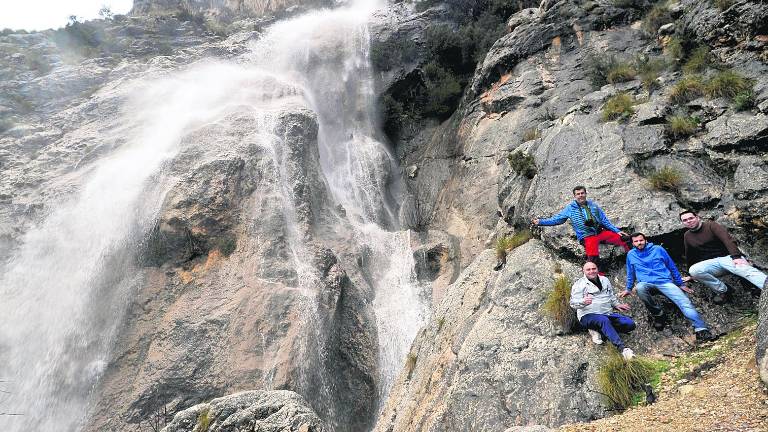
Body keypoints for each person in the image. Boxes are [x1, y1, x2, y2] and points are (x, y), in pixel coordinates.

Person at [621, 233, 715, 342]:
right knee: (640, 288)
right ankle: (659, 315)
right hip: (646, 284)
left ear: (645, 240)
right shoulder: (631, 255)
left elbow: (671, 266)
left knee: (684, 303)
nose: (639, 243)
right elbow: (630, 272)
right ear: (632, 243)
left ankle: (701, 329)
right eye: (636, 241)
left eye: (641, 240)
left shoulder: (658, 249)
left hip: (665, 282)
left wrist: (680, 284)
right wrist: (628, 288)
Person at [680, 210, 767, 304]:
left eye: (691, 218)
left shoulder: (711, 225)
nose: (689, 221)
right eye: (685, 220)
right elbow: (690, 255)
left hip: (728, 258)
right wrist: (690, 275)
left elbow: (728, 240)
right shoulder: (687, 236)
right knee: (694, 270)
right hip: (712, 264)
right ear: (683, 223)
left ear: (697, 217)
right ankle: (724, 290)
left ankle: (765, 287)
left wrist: (736, 257)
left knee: (743, 269)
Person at [532, 186, 629, 270]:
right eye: (578, 194)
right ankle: (597, 277)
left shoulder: (593, 205)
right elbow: (558, 220)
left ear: (586, 194)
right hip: (586, 236)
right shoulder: (570, 208)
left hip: (600, 232)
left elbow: (604, 221)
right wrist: (541, 222)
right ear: (575, 196)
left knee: (624, 239)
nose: (580, 195)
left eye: (582, 193)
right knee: (593, 257)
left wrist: (617, 231)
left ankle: (633, 259)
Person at [570, 261, 636, 360]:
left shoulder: (605, 280)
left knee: (630, 324)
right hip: (587, 315)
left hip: (607, 314)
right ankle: (623, 349)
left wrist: (617, 304)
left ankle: (599, 330)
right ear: (583, 271)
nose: (591, 271)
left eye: (594, 269)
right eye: (588, 269)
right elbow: (572, 303)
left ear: (597, 269)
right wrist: (583, 301)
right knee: (603, 320)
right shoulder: (579, 284)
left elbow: (611, 295)